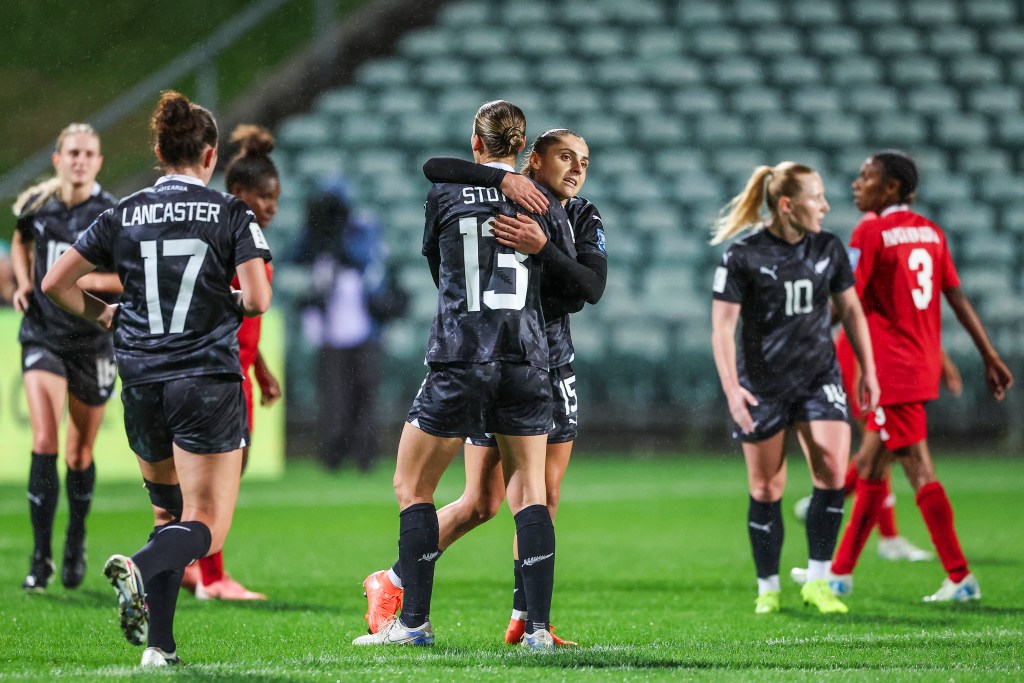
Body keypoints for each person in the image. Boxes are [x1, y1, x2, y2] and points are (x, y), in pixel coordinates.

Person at [41, 91, 272, 667]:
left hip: (142, 377)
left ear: (159, 152)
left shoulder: (123, 212)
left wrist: (106, 314)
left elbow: (54, 283)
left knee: (168, 513)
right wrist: (224, 300)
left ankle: (159, 649)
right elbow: (257, 298)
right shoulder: (230, 212)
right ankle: (139, 567)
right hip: (205, 379)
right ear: (210, 155)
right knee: (206, 527)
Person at [361, 128, 607, 646]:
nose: (577, 169)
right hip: (508, 361)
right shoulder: (501, 197)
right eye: (566, 157)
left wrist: (544, 251)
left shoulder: (580, 215)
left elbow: (588, 290)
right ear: (532, 161)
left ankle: (525, 619)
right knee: (482, 501)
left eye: (584, 161)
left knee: (544, 494)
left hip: (549, 364)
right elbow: (437, 169)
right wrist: (502, 183)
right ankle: (396, 579)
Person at [826, 150, 1013, 602]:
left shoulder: (871, 231)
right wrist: (988, 355)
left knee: (917, 469)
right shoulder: (931, 232)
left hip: (891, 370)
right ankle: (838, 574)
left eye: (866, 177)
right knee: (871, 467)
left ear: (891, 187)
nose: (856, 184)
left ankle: (960, 577)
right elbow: (957, 298)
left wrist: (803, 331)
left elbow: (847, 299)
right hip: (919, 365)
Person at [710, 161, 880, 615]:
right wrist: (732, 389)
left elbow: (852, 310)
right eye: (816, 197)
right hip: (762, 384)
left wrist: (868, 369)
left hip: (819, 377)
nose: (826, 206)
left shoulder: (828, 247)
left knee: (832, 472)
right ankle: (768, 588)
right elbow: (722, 328)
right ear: (787, 205)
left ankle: (819, 582)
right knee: (767, 487)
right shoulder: (742, 256)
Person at [10, 123, 120, 591]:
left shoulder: (111, 212)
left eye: (88, 153)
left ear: (99, 162)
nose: (80, 160)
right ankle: (40, 558)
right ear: (57, 159)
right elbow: (21, 240)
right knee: (44, 440)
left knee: (79, 454)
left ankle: (75, 538)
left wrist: (84, 282)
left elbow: (127, 276)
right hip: (43, 334)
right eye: (72, 152)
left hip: (92, 340)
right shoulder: (38, 205)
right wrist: (23, 283)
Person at [179, 123, 281, 601]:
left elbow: (242, 319)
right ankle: (213, 578)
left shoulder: (248, 240)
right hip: (219, 376)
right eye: (265, 197)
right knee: (217, 483)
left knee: (215, 480)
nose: (272, 207)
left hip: (237, 373)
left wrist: (260, 368)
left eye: (276, 198)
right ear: (239, 194)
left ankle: (187, 565)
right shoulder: (229, 240)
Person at [294, 179, 402, 472]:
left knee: (365, 396)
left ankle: (365, 454)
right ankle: (334, 454)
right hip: (331, 331)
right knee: (335, 398)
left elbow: (371, 264)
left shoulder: (362, 229)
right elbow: (297, 259)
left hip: (365, 329)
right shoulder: (316, 237)